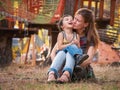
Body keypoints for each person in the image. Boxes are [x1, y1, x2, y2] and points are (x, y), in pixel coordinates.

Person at [47, 8, 100, 83]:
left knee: (72, 50)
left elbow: (89, 59)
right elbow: (53, 53)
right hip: (63, 68)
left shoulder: (90, 38)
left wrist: (71, 67)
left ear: (86, 24)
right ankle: (52, 74)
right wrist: (59, 67)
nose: (74, 21)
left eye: (78, 21)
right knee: (62, 52)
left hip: (79, 68)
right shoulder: (68, 33)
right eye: (74, 18)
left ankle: (67, 75)